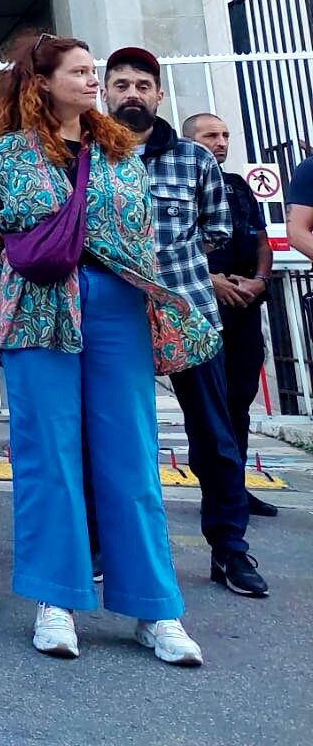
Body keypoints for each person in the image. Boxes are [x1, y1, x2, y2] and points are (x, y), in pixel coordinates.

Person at [0, 36, 211, 665]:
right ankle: (57, 600)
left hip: (119, 310)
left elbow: (145, 236)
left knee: (131, 456)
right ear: (41, 82)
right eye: (79, 72)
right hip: (38, 312)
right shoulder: (2, 158)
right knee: (49, 457)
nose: (94, 81)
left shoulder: (121, 151)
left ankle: (157, 609)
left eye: (93, 70)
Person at [102, 48, 263, 597]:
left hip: (187, 314)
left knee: (215, 436)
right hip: (113, 317)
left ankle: (230, 550)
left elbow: (215, 231)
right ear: (105, 92)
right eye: (120, 84)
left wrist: (179, 270)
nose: (131, 94)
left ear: (159, 95)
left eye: (142, 85)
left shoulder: (195, 160)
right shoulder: (89, 155)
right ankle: (106, 546)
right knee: (112, 435)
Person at [184, 112, 278, 518]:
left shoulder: (238, 186)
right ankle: (214, 485)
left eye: (224, 135)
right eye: (210, 135)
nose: (221, 142)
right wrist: (212, 280)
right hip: (203, 308)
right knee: (208, 403)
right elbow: (171, 244)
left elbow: (261, 238)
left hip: (246, 306)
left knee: (240, 397)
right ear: (190, 141)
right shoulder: (180, 181)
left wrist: (259, 279)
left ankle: (234, 484)